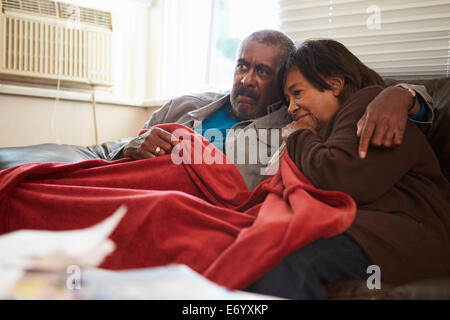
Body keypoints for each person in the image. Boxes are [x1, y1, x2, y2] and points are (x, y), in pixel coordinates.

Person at [244, 39, 450, 299]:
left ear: (334, 83)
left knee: (289, 264)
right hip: (375, 232)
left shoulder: (369, 105)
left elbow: (338, 177)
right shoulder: (329, 130)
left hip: (412, 236)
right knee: (259, 254)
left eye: (297, 93)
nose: (292, 107)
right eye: (288, 100)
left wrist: (298, 136)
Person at [110, 29, 434, 190]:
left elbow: (360, 95)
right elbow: (110, 154)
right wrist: (128, 147)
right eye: (242, 67)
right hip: (130, 183)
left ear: (282, 83)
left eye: (262, 72)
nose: (247, 79)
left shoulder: (292, 125)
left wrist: (402, 94)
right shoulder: (183, 106)